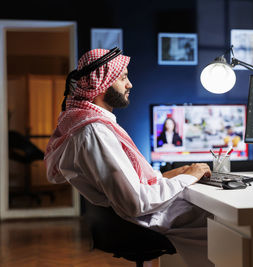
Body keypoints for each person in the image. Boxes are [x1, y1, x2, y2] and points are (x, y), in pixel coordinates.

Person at [44, 48, 213, 267]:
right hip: (141, 222)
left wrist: (174, 174)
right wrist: (188, 177)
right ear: (102, 84)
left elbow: (128, 184)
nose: (129, 84)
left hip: (132, 219)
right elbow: (136, 202)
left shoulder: (91, 125)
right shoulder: (95, 131)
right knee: (223, 223)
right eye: (123, 77)